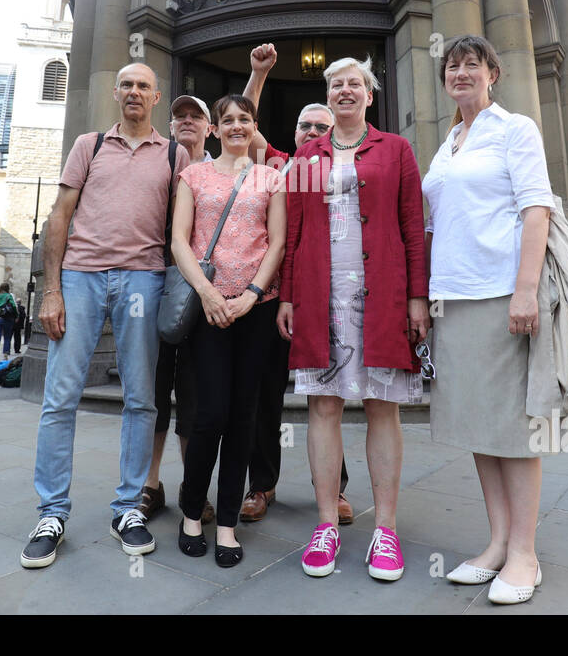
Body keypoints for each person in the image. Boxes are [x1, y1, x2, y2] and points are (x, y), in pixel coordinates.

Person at [422, 35, 568, 606]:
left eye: (472, 64)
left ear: (492, 73)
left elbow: (536, 208)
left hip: (502, 292)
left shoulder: (515, 128)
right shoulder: (448, 142)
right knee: (479, 424)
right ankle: (497, 542)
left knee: (516, 427)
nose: (461, 73)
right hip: (453, 296)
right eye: (452, 66)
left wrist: (526, 290)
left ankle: (525, 552)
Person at [22, 62, 189, 569]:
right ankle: (52, 512)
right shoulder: (88, 145)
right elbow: (59, 216)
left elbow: (188, 221)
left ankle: (128, 509)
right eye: (127, 85)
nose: (135, 92)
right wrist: (52, 291)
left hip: (143, 278)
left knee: (141, 399)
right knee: (59, 397)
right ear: (117, 93)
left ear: (156, 97)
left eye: (144, 85)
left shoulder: (175, 153)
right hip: (81, 276)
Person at [279, 55, 429, 583]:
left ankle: (385, 529)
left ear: (370, 94)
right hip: (321, 297)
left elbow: (414, 225)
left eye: (354, 84)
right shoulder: (306, 156)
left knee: (382, 407)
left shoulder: (397, 150)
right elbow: (293, 234)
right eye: (336, 84)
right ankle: (326, 525)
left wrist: (417, 298)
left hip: (382, 293)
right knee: (323, 406)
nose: (345, 91)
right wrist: (288, 298)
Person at [239, 42, 352, 524]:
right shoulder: (278, 162)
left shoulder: (348, 166)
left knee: (327, 394)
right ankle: (260, 486)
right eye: (305, 125)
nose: (311, 132)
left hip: (319, 296)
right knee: (263, 393)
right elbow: (244, 122)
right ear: (293, 131)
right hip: (269, 296)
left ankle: (336, 489)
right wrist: (259, 73)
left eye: (321, 127)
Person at [171, 94, 286, 567]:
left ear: (254, 126)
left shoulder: (271, 177)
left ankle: (228, 524)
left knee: (244, 415)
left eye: (245, 119)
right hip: (209, 307)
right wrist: (208, 293)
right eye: (227, 120)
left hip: (255, 308)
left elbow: (277, 240)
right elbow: (179, 239)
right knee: (209, 414)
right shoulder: (193, 175)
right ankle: (192, 510)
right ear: (215, 129)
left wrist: (252, 295)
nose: (236, 126)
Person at [142, 93, 217, 523]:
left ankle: (194, 489)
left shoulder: (219, 168)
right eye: (179, 116)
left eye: (197, 115)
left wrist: (259, 74)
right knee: (152, 395)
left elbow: (246, 113)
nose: (187, 120)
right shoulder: (158, 161)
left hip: (199, 293)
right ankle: (150, 485)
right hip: (153, 286)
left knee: (194, 396)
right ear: (170, 126)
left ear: (210, 127)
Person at [0, 282, 18, 360]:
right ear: (8, 288)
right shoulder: (8, 296)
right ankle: (5, 355)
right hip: (7, 318)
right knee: (7, 338)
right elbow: (14, 306)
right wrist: (16, 316)